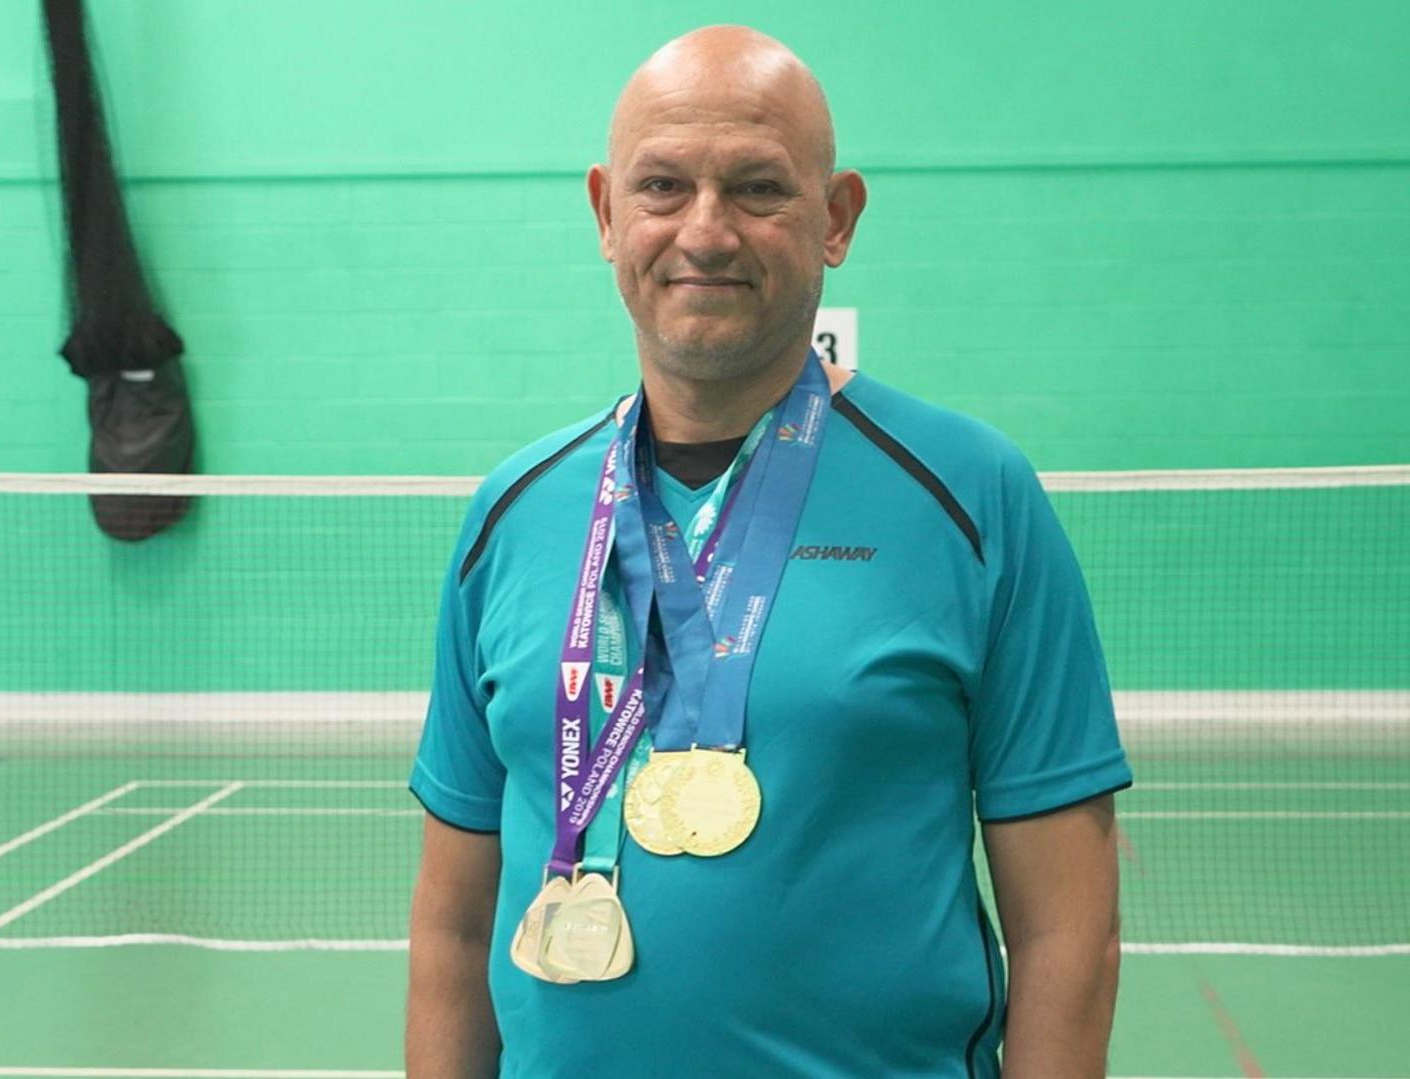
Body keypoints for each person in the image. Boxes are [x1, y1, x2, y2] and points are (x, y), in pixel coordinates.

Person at [406, 25, 1130, 1079]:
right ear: (607, 214)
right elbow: (452, 931)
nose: (705, 231)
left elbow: (1070, 935)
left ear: (836, 219)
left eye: (757, 189)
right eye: (662, 186)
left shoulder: (975, 497)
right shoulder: (510, 512)